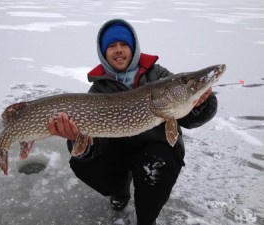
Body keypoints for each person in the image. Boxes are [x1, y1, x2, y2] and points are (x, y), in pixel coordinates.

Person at [48, 19, 217, 225]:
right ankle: (119, 190)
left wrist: (200, 103)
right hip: (120, 150)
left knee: (157, 168)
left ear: (133, 47)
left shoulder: (159, 75)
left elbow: (190, 118)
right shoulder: (98, 91)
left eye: (124, 45)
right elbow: (96, 144)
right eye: (111, 46)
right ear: (103, 53)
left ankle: (146, 218)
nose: (118, 50)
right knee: (82, 163)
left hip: (156, 148)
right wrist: (77, 140)